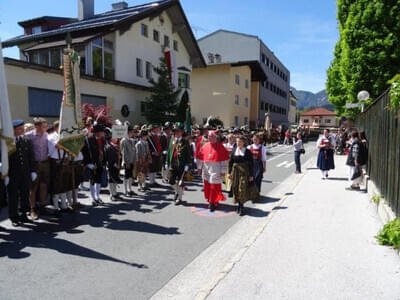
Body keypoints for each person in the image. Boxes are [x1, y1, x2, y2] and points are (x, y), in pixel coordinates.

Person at [7, 120, 36, 226]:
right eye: (20, 128)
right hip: (13, 174)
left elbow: (31, 157)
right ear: (13, 129)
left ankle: (24, 214)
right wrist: (5, 173)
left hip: (25, 172)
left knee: (24, 194)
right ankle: (14, 217)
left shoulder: (26, 140)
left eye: (22, 128)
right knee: (13, 196)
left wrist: (33, 170)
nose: (22, 130)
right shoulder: (8, 142)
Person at [197, 130, 229, 212]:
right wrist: (199, 168)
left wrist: (223, 171)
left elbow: (224, 160)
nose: (210, 138)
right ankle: (209, 199)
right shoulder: (204, 146)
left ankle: (212, 202)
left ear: (215, 137)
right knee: (207, 185)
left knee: (214, 186)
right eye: (209, 136)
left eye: (212, 136)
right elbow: (200, 158)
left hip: (216, 168)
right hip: (206, 168)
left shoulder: (220, 147)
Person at [25, 117, 49, 219]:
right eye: (43, 127)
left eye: (45, 126)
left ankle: (42, 206)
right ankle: (33, 209)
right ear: (36, 126)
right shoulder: (28, 136)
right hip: (34, 165)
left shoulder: (46, 135)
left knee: (44, 185)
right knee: (33, 187)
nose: (45, 129)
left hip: (45, 163)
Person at [48, 120, 70, 216]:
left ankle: (64, 206)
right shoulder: (52, 136)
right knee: (56, 185)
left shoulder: (62, 136)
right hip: (55, 162)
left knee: (64, 184)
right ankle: (56, 207)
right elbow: (59, 145)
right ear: (57, 127)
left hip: (64, 161)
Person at [166, 123, 191, 205]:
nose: (177, 133)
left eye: (179, 131)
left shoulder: (185, 141)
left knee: (180, 182)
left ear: (181, 132)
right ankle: (177, 192)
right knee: (171, 181)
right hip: (173, 164)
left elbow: (188, 154)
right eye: (175, 131)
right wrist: (167, 162)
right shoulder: (172, 140)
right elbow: (169, 152)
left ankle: (179, 198)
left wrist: (188, 164)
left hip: (181, 165)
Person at [228, 136, 254, 216]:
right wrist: (229, 173)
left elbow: (251, 164)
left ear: (243, 142)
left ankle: (241, 206)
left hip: (244, 172)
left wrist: (251, 175)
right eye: (237, 141)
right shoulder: (234, 150)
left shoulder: (247, 151)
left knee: (241, 188)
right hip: (235, 172)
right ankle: (239, 205)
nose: (238, 143)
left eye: (240, 141)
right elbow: (230, 162)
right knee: (235, 188)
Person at [82, 124, 106, 206]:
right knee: (92, 180)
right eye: (100, 132)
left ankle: (97, 196)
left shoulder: (102, 140)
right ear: (96, 132)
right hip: (92, 163)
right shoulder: (88, 140)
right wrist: (88, 163)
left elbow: (103, 150)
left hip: (100, 162)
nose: (102, 133)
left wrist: (103, 161)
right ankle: (93, 198)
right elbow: (85, 153)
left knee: (98, 180)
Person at [104, 130, 123, 201]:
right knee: (111, 180)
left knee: (115, 179)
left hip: (116, 166)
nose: (117, 139)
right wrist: (116, 164)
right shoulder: (109, 146)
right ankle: (112, 194)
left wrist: (119, 157)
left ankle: (115, 193)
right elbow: (110, 158)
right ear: (111, 138)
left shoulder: (116, 146)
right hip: (112, 166)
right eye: (115, 138)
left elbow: (117, 156)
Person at [120, 126, 137, 197]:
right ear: (128, 132)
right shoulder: (123, 140)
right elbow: (124, 152)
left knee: (130, 176)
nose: (133, 133)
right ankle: (125, 190)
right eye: (132, 132)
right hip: (127, 161)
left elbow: (134, 151)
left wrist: (134, 160)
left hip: (132, 161)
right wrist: (126, 162)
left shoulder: (132, 140)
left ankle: (130, 189)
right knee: (126, 176)